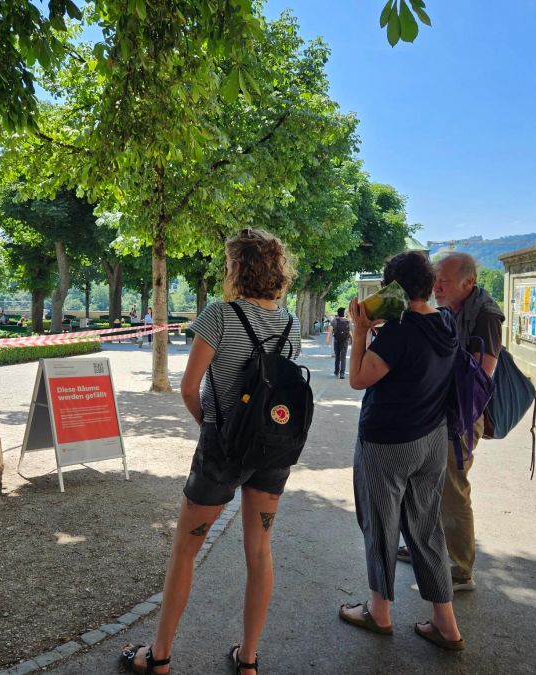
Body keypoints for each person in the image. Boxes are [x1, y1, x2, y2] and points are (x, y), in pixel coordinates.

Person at [122, 228, 301, 674]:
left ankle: (158, 657)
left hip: (223, 448)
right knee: (260, 551)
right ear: (277, 269)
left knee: (185, 549)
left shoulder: (218, 316)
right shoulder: (290, 323)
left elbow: (188, 389)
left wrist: (214, 427)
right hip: (273, 446)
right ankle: (248, 659)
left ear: (236, 268)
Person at [338, 251, 466, 651]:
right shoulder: (444, 322)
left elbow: (358, 378)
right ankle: (446, 625)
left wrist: (361, 332)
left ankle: (379, 612)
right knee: (426, 529)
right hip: (431, 440)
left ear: (393, 288)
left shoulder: (399, 332)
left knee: (380, 525)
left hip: (388, 442)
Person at [396, 252, 504, 592]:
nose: (436, 286)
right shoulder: (448, 310)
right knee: (426, 484)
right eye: (434, 279)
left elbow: (482, 374)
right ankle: (426, 550)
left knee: (453, 490)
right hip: (436, 409)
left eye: (443, 280)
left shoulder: (485, 316)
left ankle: (460, 568)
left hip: (460, 414)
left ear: (467, 283)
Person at [325, 307, 351, 378]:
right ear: (344, 313)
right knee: (343, 357)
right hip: (345, 341)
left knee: (337, 357)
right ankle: (342, 373)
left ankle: (336, 371)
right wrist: (353, 341)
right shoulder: (348, 321)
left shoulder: (334, 321)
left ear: (338, 313)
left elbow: (330, 330)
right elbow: (350, 332)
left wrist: (328, 339)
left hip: (336, 340)